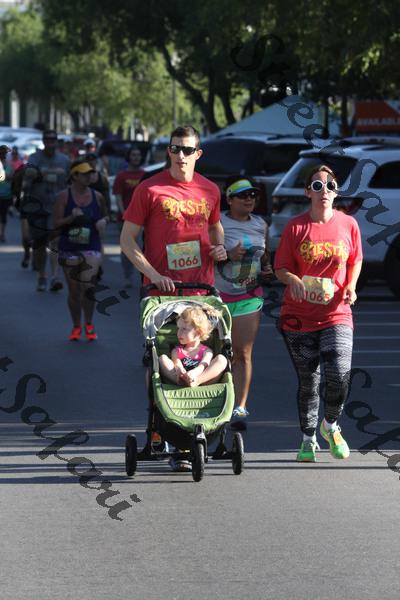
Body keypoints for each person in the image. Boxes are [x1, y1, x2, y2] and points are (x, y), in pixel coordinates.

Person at [274, 164, 363, 462]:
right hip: (298, 317)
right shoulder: (296, 227)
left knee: (339, 376)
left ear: (336, 192)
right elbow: (280, 267)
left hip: (337, 313)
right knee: (309, 381)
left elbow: (355, 259)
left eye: (330, 186)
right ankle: (308, 438)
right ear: (307, 192)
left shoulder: (348, 224)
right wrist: (293, 280)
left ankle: (331, 425)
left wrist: (351, 286)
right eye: (317, 186)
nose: (324, 191)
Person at [120, 125, 227, 295]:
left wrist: (220, 246)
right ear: (169, 152)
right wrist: (153, 275)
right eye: (176, 149)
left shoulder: (211, 189)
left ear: (198, 154)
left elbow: (215, 226)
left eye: (188, 150)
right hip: (161, 288)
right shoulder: (148, 189)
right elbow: (126, 239)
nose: (181, 155)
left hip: (201, 287)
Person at [214, 177, 273, 429]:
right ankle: (215, 406)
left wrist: (267, 268)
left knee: (243, 353)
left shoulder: (261, 224)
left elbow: (265, 254)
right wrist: (228, 255)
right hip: (218, 296)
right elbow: (204, 255)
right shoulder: (217, 222)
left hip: (249, 296)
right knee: (216, 354)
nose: (249, 199)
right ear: (229, 199)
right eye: (242, 195)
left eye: (252, 195)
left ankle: (239, 407)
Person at [53, 160, 109, 341]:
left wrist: (103, 221)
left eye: (90, 173)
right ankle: (77, 325)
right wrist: (71, 217)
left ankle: (89, 323)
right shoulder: (63, 197)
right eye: (84, 174)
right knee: (74, 290)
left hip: (91, 246)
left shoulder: (97, 196)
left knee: (88, 286)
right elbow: (56, 223)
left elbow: (106, 215)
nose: (88, 177)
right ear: (74, 176)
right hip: (69, 247)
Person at [23, 130, 70, 291]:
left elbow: (70, 180)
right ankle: (42, 275)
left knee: (55, 241)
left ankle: (55, 277)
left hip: (56, 207)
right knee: (39, 243)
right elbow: (29, 172)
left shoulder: (64, 159)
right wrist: (47, 171)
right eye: (47, 140)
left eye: (53, 140)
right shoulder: (35, 157)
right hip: (38, 206)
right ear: (43, 142)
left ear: (56, 142)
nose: (50, 143)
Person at [159, 306, 227, 387]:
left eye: (184, 329)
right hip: (180, 376)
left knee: (221, 360)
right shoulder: (177, 350)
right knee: (162, 358)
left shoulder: (207, 351)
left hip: (202, 379)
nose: (179, 332)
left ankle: (196, 381)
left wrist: (195, 373)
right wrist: (180, 370)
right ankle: (180, 381)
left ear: (198, 333)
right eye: (178, 328)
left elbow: (203, 365)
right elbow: (176, 363)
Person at [112, 145, 145, 287]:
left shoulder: (145, 174)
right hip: (125, 218)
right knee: (127, 248)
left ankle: (145, 275)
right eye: (133, 155)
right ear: (128, 157)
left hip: (143, 219)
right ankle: (128, 275)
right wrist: (124, 212)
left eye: (138, 155)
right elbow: (118, 196)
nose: (136, 158)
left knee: (143, 247)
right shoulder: (122, 176)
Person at [0, 145, 14, 242]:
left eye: (4, 153)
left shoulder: (9, 166)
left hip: (6, 195)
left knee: (3, 215)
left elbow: (13, 178)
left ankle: (2, 234)